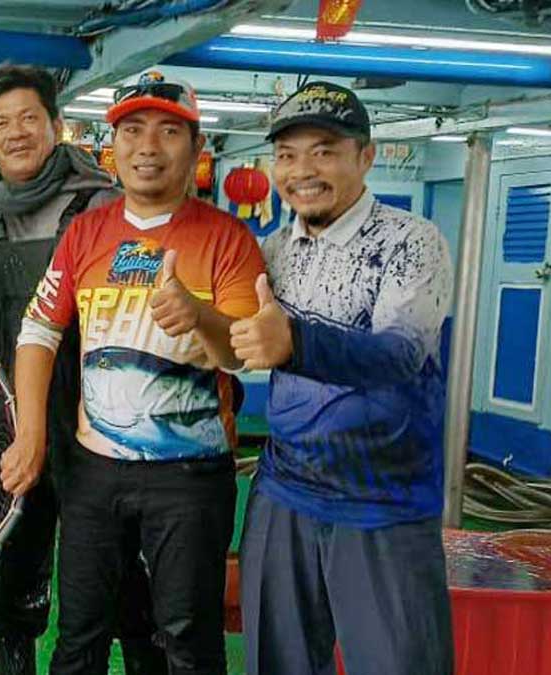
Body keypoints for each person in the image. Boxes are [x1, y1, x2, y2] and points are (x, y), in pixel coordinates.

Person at [5, 71, 266, 674]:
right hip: (94, 473)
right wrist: (31, 434)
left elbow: (242, 354)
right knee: (80, 635)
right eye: (133, 131)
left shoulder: (228, 239)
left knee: (187, 637)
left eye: (169, 131)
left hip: (191, 478)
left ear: (197, 149)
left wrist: (198, 316)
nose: (148, 147)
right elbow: (39, 331)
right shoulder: (85, 233)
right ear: (111, 146)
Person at [0, 64, 162, 675]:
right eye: (0, 123)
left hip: (99, 425)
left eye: (30, 117)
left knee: (121, 576)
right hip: (3, 418)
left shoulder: (107, 205)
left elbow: (145, 315)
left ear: (57, 125)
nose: (16, 133)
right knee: (9, 575)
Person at [229, 81, 454, 675]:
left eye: (324, 150)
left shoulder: (411, 243)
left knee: (400, 664)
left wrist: (296, 343)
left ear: (366, 156)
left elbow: (400, 354)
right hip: (285, 492)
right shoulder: (273, 250)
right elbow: (238, 344)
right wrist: (188, 314)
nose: (302, 170)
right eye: (286, 154)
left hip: (384, 502)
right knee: (277, 661)